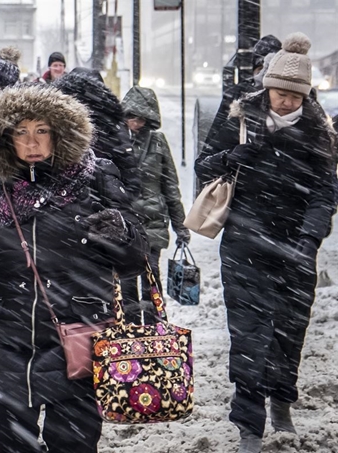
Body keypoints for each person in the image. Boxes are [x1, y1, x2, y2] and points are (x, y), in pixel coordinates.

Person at [0, 84, 149, 453]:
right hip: (3, 335)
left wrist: (122, 233)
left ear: (59, 133)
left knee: (73, 444)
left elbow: (135, 259)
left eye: (41, 130)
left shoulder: (96, 178)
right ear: (6, 138)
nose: (32, 142)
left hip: (78, 336)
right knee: (4, 443)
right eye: (21, 132)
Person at [195, 33, 336, 453]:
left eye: (294, 96)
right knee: (248, 334)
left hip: (296, 248)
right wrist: (229, 159)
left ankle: (283, 402)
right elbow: (204, 165)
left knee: (289, 332)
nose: (286, 102)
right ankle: (250, 425)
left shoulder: (318, 131)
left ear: (305, 95)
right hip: (244, 243)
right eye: (279, 92)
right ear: (267, 86)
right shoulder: (240, 117)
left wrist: (309, 237)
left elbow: (325, 192)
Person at [120, 86, 190, 323]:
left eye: (141, 118)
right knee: (127, 279)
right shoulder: (116, 142)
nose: (136, 123)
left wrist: (181, 226)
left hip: (153, 220)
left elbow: (170, 186)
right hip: (125, 223)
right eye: (131, 117)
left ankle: (154, 327)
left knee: (151, 275)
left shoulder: (158, 142)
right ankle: (130, 331)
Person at [54, 69, 141, 199]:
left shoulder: (58, 124)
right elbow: (131, 178)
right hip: (106, 203)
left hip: (65, 205)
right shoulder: (114, 125)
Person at [201, 35, 282, 163]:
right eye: (261, 69)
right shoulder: (236, 97)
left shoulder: (299, 106)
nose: (265, 76)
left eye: (272, 70)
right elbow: (206, 158)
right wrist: (230, 157)